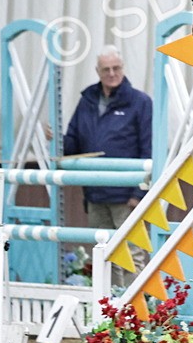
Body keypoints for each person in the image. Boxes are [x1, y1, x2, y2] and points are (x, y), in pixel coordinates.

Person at [63, 46, 152, 268]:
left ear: (123, 69)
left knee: (132, 254)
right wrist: (53, 139)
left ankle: (134, 302)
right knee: (103, 255)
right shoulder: (87, 101)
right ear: (97, 71)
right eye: (106, 69)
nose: (111, 73)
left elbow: (149, 149)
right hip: (95, 192)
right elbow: (72, 143)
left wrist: (139, 192)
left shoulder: (140, 102)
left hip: (127, 194)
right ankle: (108, 302)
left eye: (116, 68)